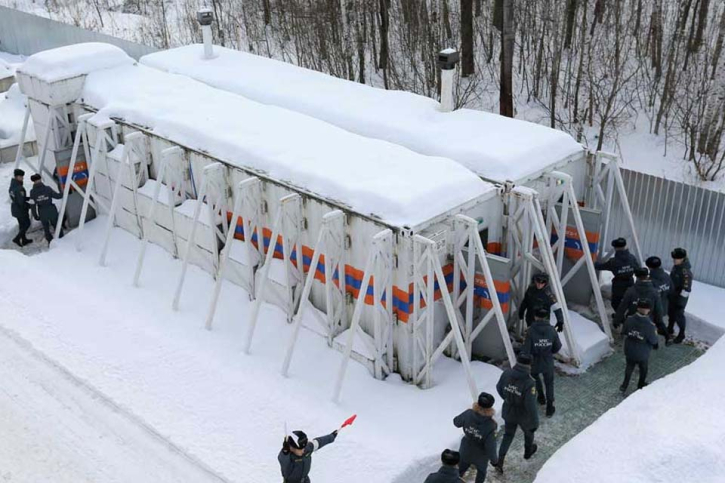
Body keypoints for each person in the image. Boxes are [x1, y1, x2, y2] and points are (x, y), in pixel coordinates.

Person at [493, 354, 539, 474]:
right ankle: (528, 452)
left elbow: (499, 387)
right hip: (524, 414)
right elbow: (531, 405)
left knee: (508, 435)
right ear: (529, 364)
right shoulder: (530, 382)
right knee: (528, 432)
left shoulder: (506, 373)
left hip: (509, 410)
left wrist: (507, 399)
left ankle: (500, 460)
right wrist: (535, 422)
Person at [522, 307, 562, 417]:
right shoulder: (552, 330)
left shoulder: (530, 331)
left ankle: (540, 397)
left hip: (534, 361)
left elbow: (526, 350)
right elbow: (557, 347)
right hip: (548, 361)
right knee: (549, 383)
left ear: (535, 317)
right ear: (546, 317)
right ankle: (550, 407)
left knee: (535, 378)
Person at [614, 267, 670, 344]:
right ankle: (663, 339)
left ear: (636, 276)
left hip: (633, 319)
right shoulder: (654, 292)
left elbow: (622, 307)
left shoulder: (631, 291)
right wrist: (659, 322)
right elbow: (658, 309)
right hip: (649, 319)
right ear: (647, 276)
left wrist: (617, 320)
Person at [452, 392, 498, 483]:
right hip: (481, 456)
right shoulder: (491, 425)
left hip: (465, 450)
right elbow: (490, 446)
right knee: (481, 473)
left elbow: (456, 422)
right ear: (490, 407)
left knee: (459, 472)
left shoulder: (468, 413)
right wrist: (494, 461)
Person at [620, 299, 659, 393]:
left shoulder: (629, 319)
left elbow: (624, 331)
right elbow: (653, 340)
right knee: (643, 368)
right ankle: (641, 384)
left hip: (629, 350)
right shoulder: (650, 325)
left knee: (629, 367)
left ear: (637, 308)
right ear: (648, 310)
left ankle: (624, 385)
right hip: (642, 353)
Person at [595, 237, 638, 310]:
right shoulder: (632, 258)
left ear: (615, 248)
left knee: (616, 303)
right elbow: (638, 270)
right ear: (625, 246)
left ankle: (619, 317)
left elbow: (600, 266)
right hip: (630, 283)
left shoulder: (613, 262)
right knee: (629, 301)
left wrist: (592, 261)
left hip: (618, 285)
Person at [28, 173, 63, 244]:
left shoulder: (32, 192)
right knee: (57, 226)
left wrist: (35, 215)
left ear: (33, 182)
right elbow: (58, 196)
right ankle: (62, 240)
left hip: (42, 212)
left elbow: (33, 205)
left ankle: (50, 241)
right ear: (40, 180)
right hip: (52, 210)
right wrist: (62, 190)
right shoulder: (48, 189)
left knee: (46, 228)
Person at [668, 248, 693, 344]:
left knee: (679, 315)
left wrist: (681, 302)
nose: (674, 260)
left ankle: (681, 334)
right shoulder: (676, 267)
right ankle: (670, 328)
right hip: (673, 294)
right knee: (671, 313)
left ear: (682, 259)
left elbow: (686, 289)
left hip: (680, 297)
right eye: (674, 258)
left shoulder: (685, 272)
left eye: (676, 258)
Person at [8, 168, 33, 247]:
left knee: (22, 225)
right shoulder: (19, 188)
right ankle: (17, 238)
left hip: (15, 209)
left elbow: (17, 198)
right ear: (17, 177)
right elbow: (21, 202)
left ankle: (24, 239)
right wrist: (30, 206)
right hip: (21, 210)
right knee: (27, 224)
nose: (22, 178)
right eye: (21, 176)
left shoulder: (12, 186)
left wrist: (27, 198)